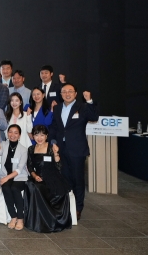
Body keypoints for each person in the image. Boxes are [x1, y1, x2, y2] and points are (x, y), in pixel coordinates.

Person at [49, 84, 98, 220]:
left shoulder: (82, 107)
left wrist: (89, 101)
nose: (67, 93)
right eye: (64, 91)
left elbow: (94, 116)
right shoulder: (57, 108)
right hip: (61, 149)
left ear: (76, 94)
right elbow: (54, 127)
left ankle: (78, 208)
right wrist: (53, 142)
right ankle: (66, 206)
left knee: (77, 180)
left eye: (70, 91)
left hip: (77, 150)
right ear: (61, 94)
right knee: (65, 179)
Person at [25, 124, 72, 232]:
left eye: (42, 135)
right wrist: (34, 175)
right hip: (38, 176)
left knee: (42, 189)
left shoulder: (51, 148)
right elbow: (30, 166)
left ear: (46, 136)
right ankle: (36, 221)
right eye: (36, 135)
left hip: (52, 177)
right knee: (30, 185)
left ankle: (49, 221)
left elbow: (59, 167)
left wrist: (56, 154)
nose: (39, 138)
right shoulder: (31, 149)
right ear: (33, 136)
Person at [0, 124, 28, 230]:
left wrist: (6, 178)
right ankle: (13, 217)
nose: (12, 135)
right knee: (6, 188)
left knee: (14, 188)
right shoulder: (4, 144)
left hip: (20, 177)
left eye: (16, 132)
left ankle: (20, 218)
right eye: (10, 132)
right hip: (6, 175)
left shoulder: (23, 149)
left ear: (19, 135)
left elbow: (19, 169)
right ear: (7, 133)